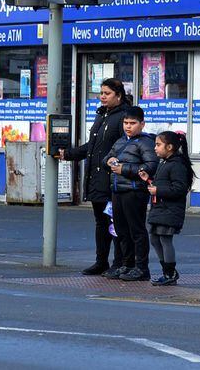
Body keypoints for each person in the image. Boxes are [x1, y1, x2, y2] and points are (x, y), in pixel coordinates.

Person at [58, 78, 132, 275]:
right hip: (96, 178)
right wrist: (69, 154)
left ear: (118, 95)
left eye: (107, 93)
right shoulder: (102, 116)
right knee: (101, 222)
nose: (102, 97)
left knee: (115, 223)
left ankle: (120, 263)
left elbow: (124, 148)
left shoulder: (123, 117)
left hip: (112, 179)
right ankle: (101, 261)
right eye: (101, 93)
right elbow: (93, 148)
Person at [102, 106, 158, 280]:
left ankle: (141, 268)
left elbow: (151, 166)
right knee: (121, 230)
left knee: (137, 230)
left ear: (142, 124)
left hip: (134, 191)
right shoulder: (120, 141)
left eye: (132, 123)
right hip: (117, 190)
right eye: (126, 123)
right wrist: (108, 161)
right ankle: (127, 265)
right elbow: (107, 158)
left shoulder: (146, 142)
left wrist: (124, 169)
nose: (128, 126)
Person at [139, 129, 195, 286]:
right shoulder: (165, 163)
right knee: (155, 239)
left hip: (170, 210)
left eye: (158, 145)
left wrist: (158, 190)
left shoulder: (177, 165)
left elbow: (180, 189)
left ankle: (170, 273)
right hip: (160, 208)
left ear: (169, 147)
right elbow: (163, 184)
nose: (155, 148)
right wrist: (149, 181)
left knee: (164, 239)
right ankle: (167, 271)